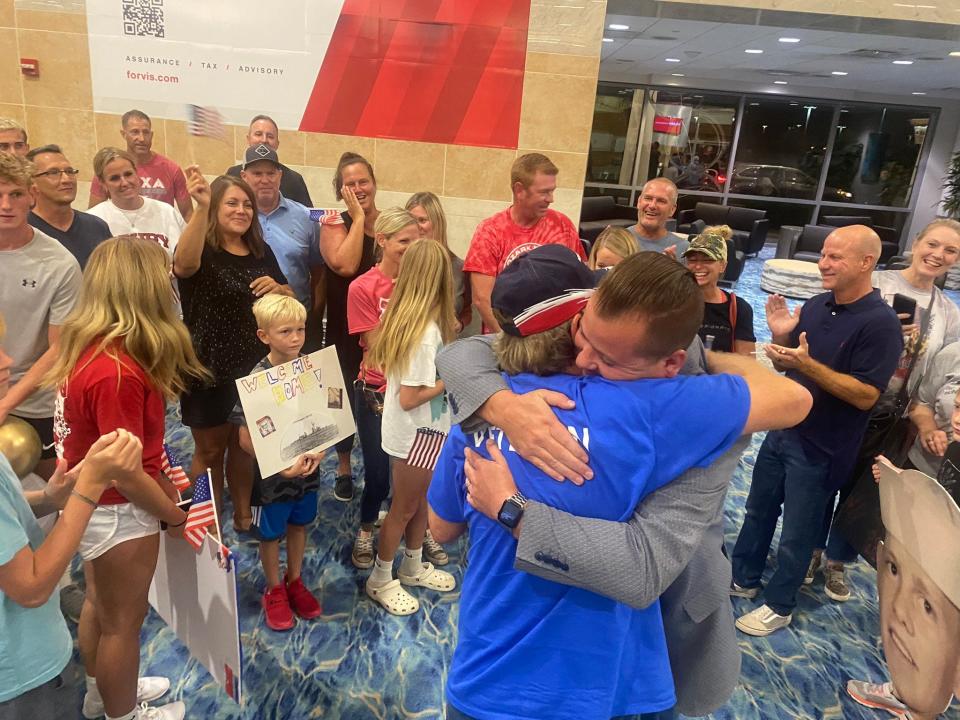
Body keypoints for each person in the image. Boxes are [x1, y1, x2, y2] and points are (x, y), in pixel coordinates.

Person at [428, 247, 812, 720]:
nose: (588, 359)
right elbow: (791, 397)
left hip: (492, 677)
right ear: (580, 314)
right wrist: (501, 405)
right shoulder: (652, 408)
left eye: (608, 355)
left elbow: (441, 529)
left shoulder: (470, 418)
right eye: (584, 337)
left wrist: (511, 499)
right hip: (619, 684)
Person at [49, 237, 209, 720]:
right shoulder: (117, 370)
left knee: (102, 604)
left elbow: (131, 450)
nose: (170, 286)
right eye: (163, 278)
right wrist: (173, 517)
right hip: (119, 509)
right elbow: (127, 469)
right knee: (124, 622)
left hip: (98, 506)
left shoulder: (97, 349)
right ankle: (122, 714)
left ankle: (104, 696)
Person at [730, 225, 903, 636]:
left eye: (835, 257)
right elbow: (793, 366)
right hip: (784, 429)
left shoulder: (880, 324)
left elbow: (865, 395)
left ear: (866, 262)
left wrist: (807, 365)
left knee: (798, 534)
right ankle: (744, 576)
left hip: (824, 446)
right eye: (824, 254)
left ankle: (781, 603)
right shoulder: (815, 304)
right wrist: (780, 338)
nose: (823, 263)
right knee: (758, 510)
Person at [813, 218, 960, 602]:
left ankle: (837, 561)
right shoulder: (876, 282)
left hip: (894, 414)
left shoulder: (948, 312)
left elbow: (937, 375)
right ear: (917, 242)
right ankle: (810, 549)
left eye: (950, 251)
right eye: (933, 244)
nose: (938, 255)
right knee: (823, 480)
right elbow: (830, 323)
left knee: (864, 489)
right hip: (845, 401)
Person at [173, 169, 293, 532]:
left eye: (246, 204)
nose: (241, 210)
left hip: (253, 369)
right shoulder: (201, 248)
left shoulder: (260, 250)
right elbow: (183, 265)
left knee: (244, 446)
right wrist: (201, 207)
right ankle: (204, 519)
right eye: (231, 203)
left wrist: (281, 289)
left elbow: (287, 297)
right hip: (207, 367)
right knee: (209, 452)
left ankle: (242, 513)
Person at [845, 374, 960, 716]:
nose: (957, 418)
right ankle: (909, 697)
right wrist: (902, 482)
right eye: (958, 406)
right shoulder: (955, 448)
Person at [364, 239, 457, 615]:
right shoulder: (424, 335)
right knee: (403, 509)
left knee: (420, 504)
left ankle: (413, 564)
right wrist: (450, 377)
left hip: (426, 432)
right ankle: (381, 579)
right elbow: (410, 397)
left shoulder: (421, 324)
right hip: (417, 434)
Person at [230, 294, 323, 631]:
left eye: (300, 329)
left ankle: (294, 580)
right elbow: (244, 440)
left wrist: (321, 451)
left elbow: (326, 415)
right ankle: (274, 589)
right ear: (264, 335)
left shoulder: (310, 368)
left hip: (309, 468)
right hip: (270, 480)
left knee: (300, 524)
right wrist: (280, 467)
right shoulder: (257, 381)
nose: (296, 338)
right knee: (270, 534)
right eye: (285, 331)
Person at [0, 152, 81, 482]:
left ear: (32, 196)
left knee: (62, 492)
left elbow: (59, 349)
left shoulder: (59, 264)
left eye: (15, 194)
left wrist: (6, 404)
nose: (6, 204)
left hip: (37, 403)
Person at [346, 208, 417, 568]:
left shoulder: (419, 285)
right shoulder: (363, 287)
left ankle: (401, 529)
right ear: (383, 241)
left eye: (417, 241)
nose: (412, 248)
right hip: (376, 390)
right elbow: (375, 343)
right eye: (404, 241)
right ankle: (364, 529)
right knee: (377, 470)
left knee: (410, 469)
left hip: (415, 390)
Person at [463, 153, 585, 333]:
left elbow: (581, 282)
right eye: (544, 192)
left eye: (552, 191)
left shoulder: (562, 225)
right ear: (519, 190)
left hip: (554, 342)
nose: (551, 199)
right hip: (504, 339)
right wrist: (509, 341)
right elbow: (482, 299)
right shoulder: (490, 231)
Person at [320, 152, 381, 503]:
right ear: (340, 190)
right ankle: (343, 465)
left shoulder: (389, 223)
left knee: (377, 398)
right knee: (341, 398)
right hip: (345, 331)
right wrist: (357, 218)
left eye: (363, 181)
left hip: (380, 331)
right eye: (350, 184)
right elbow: (345, 264)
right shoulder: (333, 224)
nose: (358, 188)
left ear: (374, 183)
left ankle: (378, 465)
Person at [240, 143, 321, 310]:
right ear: (244, 177)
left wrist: (315, 316)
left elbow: (319, 271)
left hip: (295, 319)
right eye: (257, 173)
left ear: (280, 176)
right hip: (246, 318)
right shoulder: (236, 218)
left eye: (271, 173)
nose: (265, 180)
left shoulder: (307, 217)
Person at [88, 110, 193, 222]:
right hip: (121, 233)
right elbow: (93, 218)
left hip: (160, 234)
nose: (141, 138)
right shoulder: (110, 171)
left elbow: (188, 214)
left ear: (151, 135)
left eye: (146, 132)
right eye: (135, 132)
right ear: (124, 134)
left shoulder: (171, 169)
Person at [26, 144, 112, 270]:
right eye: (53, 173)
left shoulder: (96, 227)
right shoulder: (23, 230)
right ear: (31, 181)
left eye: (69, 171)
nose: (67, 179)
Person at [682, 225, 755, 354]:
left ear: (722, 266)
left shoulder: (739, 308)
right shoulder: (674, 302)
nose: (698, 266)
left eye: (707, 260)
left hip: (721, 374)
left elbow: (747, 362)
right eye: (692, 260)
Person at [405, 191, 472, 332]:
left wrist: (459, 325)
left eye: (422, 220)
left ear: (437, 222)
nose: (417, 227)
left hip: (445, 346)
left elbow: (467, 311)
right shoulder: (400, 265)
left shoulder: (459, 269)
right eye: (412, 221)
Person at [225, 114, 313, 207]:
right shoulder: (232, 175)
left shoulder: (294, 179)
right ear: (248, 139)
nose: (264, 140)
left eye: (270, 136)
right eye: (258, 134)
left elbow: (309, 216)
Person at [627, 178, 688, 256]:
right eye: (648, 198)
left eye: (661, 201)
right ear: (639, 202)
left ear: (672, 209)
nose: (652, 206)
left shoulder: (684, 250)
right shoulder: (616, 241)